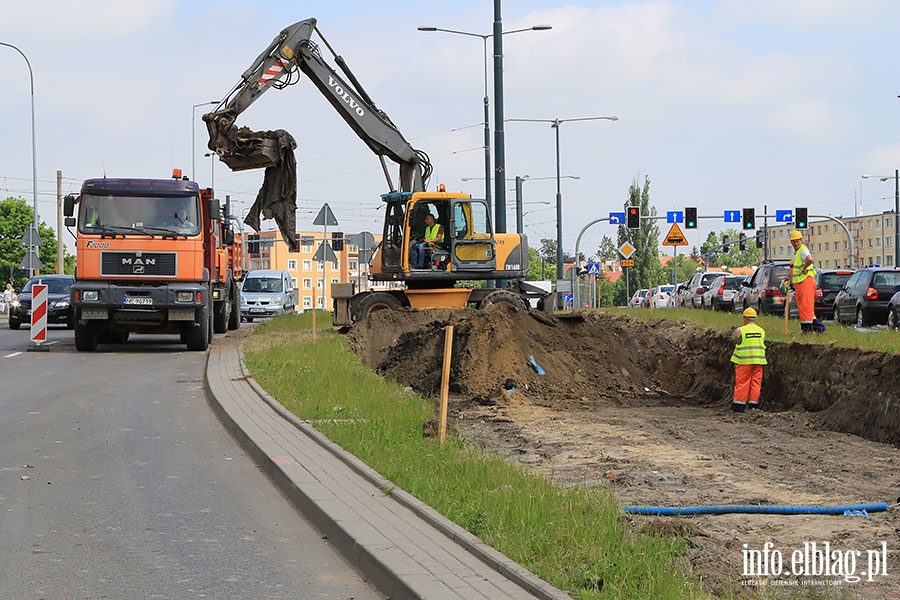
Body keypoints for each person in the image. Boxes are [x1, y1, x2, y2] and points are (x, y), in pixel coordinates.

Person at [730, 307, 767, 413]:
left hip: (743, 362)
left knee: (742, 383)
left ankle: (738, 407)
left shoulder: (740, 330)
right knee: (756, 383)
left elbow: (735, 340)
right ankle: (753, 406)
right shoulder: (761, 331)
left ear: (745, 318)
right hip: (759, 361)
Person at [784, 229, 817, 333]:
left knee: (806, 306)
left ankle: (808, 330)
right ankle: (818, 329)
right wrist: (789, 277)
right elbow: (794, 269)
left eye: (797, 241)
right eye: (793, 241)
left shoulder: (803, 250)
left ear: (801, 240)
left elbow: (810, 259)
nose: (796, 243)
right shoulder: (796, 253)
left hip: (806, 281)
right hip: (800, 283)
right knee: (803, 307)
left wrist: (804, 268)